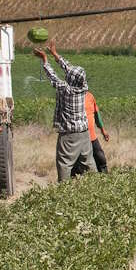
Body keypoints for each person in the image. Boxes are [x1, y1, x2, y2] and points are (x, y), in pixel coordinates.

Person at [32, 40, 95, 181]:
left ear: (70, 80)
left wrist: (45, 59)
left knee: (64, 164)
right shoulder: (84, 85)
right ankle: (97, 186)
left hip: (69, 135)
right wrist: (55, 54)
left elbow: (53, 77)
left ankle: (63, 192)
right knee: (88, 163)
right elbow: (69, 68)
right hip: (84, 132)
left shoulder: (67, 90)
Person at [72, 90, 111, 176]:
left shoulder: (90, 96)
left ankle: (105, 179)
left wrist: (103, 131)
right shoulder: (72, 97)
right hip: (77, 138)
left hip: (92, 137)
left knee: (101, 159)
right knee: (76, 164)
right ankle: (73, 183)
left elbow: (97, 115)